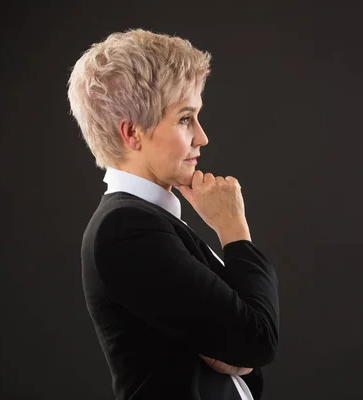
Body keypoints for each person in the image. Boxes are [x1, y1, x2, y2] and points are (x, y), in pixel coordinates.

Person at [66, 29, 280, 400]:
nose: (202, 136)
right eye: (185, 119)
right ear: (132, 133)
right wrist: (234, 229)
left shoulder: (150, 221)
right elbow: (256, 340)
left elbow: (245, 347)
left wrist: (235, 346)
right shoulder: (125, 229)